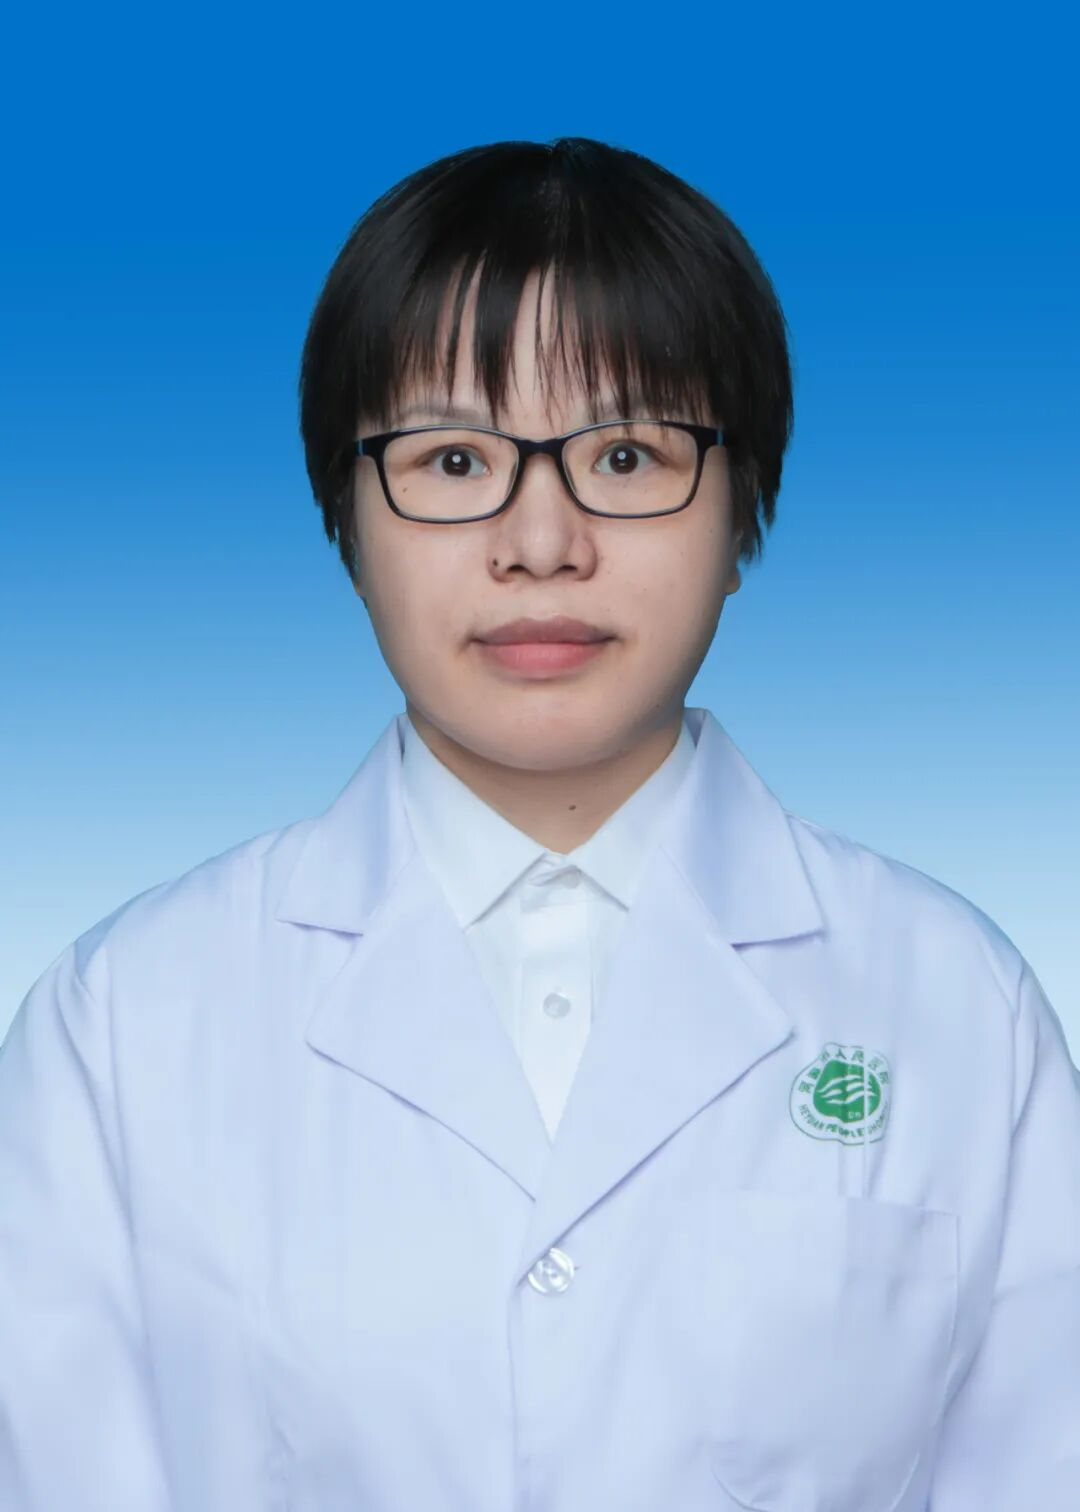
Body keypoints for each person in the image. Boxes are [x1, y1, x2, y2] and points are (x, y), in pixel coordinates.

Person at [1, 136, 1077, 1512]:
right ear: (346, 516)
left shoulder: (953, 998)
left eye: (626, 453)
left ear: (745, 508)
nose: (541, 541)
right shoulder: (126, 1019)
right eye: (455, 459)